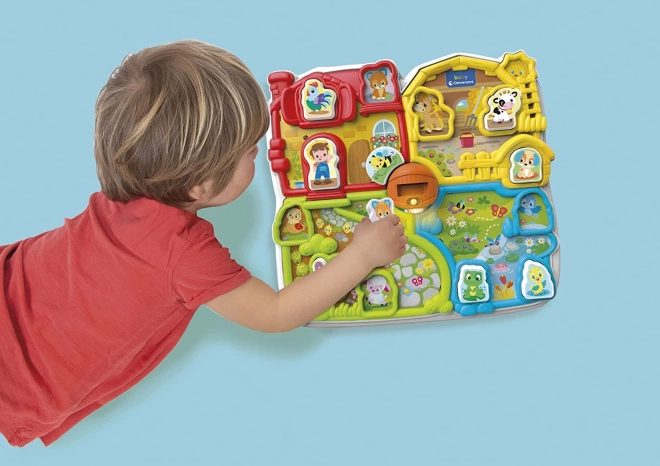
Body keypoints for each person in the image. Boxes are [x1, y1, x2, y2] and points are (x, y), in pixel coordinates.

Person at [0, 40, 407, 447]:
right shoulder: (186, 255)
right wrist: (362, 255)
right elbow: (276, 313)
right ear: (199, 185)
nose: (260, 153)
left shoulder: (120, 197)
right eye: (249, 151)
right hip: (15, 379)